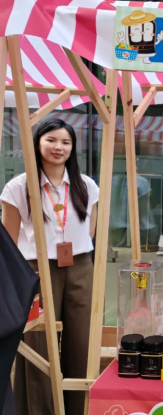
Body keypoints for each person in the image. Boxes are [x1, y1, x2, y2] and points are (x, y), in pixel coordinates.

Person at [1, 118, 99, 415]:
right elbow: (9, 240)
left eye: (66, 142)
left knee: (82, 339)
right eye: (51, 140)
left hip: (80, 266)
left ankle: (77, 408)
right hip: (35, 268)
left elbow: (90, 231)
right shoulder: (17, 187)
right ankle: (39, 410)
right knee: (38, 342)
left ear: (73, 148)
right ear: (37, 143)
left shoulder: (87, 186)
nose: (59, 147)